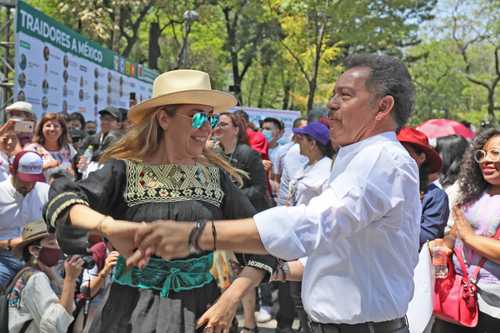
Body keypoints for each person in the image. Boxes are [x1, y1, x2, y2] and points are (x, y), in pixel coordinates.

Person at [131, 54, 421, 333]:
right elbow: (337, 248)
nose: (331, 105)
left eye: (345, 96)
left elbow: (312, 223)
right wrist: (275, 271)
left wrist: (196, 235)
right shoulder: (356, 158)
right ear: (161, 120)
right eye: (195, 117)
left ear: (382, 107)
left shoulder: (381, 159)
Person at [44, 69, 276, 333]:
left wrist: (230, 299)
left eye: (211, 117)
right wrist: (108, 227)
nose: (207, 127)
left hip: (202, 314)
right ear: (164, 118)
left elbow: (264, 240)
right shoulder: (125, 171)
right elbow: (63, 200)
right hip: (128, 313)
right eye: (197, 116)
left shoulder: (215, 178)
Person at [431, 127, 500, 333]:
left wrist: (470, 238)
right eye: (482, 154)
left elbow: (467, 236)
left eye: (495, 153)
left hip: (492, 309)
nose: (486, 159)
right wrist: (442, 245)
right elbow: (454, 236)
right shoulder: (474, 194)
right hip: (457, 300)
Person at [213, 112, 273, 333]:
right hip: (223, 223)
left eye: (224, 124)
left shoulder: (248, 154)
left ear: (236, 129)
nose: (218, 127)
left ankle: (249, 323)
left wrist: (233, 196)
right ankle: (227, 321)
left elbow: (259, 188)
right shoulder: (214, 153)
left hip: (248, 221)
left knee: (245, 274)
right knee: (225, 273)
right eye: (216, 124)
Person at [276, 121, 334, 333]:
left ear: (313, 143)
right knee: (296, 296)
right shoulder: (306, 167)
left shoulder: (327, 170)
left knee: (306, 298)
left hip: (311, 243)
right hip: (296, 239)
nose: (297, 142)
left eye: (302, 138)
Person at [7, 220, 84, 333]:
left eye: (58, 244)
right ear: (34, 250)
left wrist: (53, 274)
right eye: (52, 243)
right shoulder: (37, 279)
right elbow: (55, 326)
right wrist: (70, 279)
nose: (58, 248)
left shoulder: (26, 274)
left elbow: (67, 307)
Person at [0, 151, 49, 289]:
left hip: (39, 257)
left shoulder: (45, 191)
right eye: (24, 179)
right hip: (4, 257)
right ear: (11, 171)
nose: (29, 185)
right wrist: (9, 244)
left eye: (33, 180)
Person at [397, 127, 449, 247]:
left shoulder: (435, 196)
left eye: (405, 152)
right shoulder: (381, 187)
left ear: (422, 158)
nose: (397, 157)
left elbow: (427, 236)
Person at [24, 112, 77, 179]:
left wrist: (71, 173)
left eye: (56, 126)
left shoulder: (68, 148)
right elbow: (24, 171)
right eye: (48, 126)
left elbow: (73, 171)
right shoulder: (32, 149)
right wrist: (46, 166)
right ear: (41, 129)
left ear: (62, 130)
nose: (52, 129)